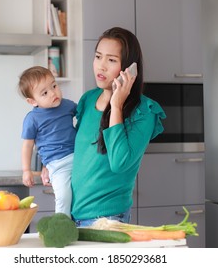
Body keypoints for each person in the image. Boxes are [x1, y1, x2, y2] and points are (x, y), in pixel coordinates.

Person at [42, 27, 166, 226]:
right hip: (74, 215)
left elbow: (119, 163)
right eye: (98, 57)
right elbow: (79, 149)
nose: (101, 66)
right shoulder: (88, 100)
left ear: (129, 69)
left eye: (111, 60)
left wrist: (116, 104)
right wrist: (53, 164)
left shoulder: (145, 111)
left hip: (106, 219)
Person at [18, 66, 76, 218]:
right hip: (57, 165)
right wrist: (26, 170)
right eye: (44, 93)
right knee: (63, 197)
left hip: (79, 156)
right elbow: (27, 146)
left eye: (54, 86)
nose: (53, 93)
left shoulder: (67, 105)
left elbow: (86, 114)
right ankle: (62, 226)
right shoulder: (32, 119)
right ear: (32, 101)